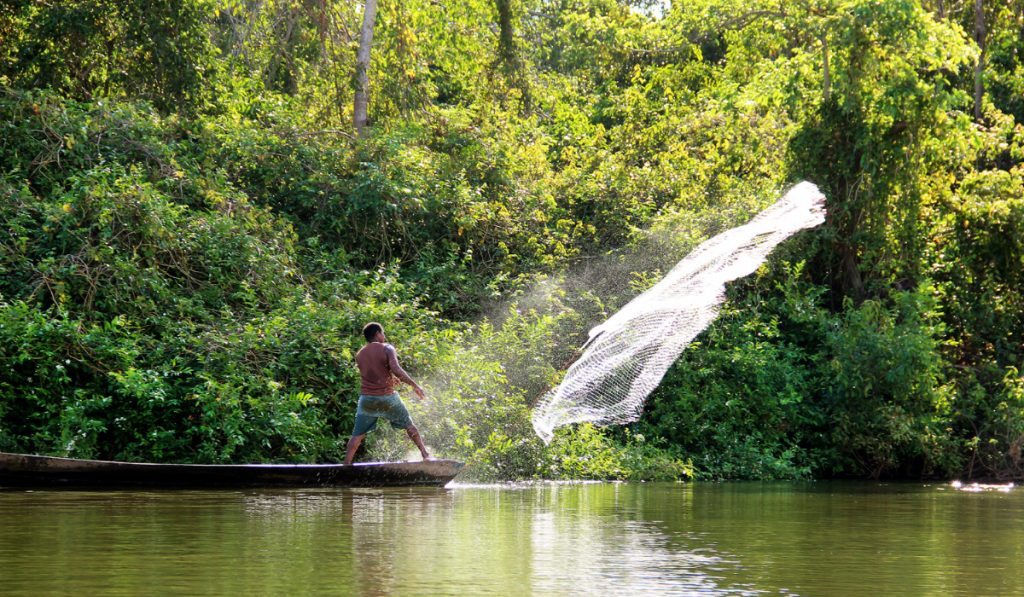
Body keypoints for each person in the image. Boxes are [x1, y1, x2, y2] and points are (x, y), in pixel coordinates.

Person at [344, 322, 430, 465]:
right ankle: (426, 455)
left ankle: (345, 466)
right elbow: (395, 368)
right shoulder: (387, 348)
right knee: (409, 425)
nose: (384, 337)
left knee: (357, 435)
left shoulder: (360, 354)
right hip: (387, 398)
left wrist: (390, 377)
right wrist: (415, 385)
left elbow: (372, 373)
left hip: (367, 399)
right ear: (378, 333)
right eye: (383, 333)